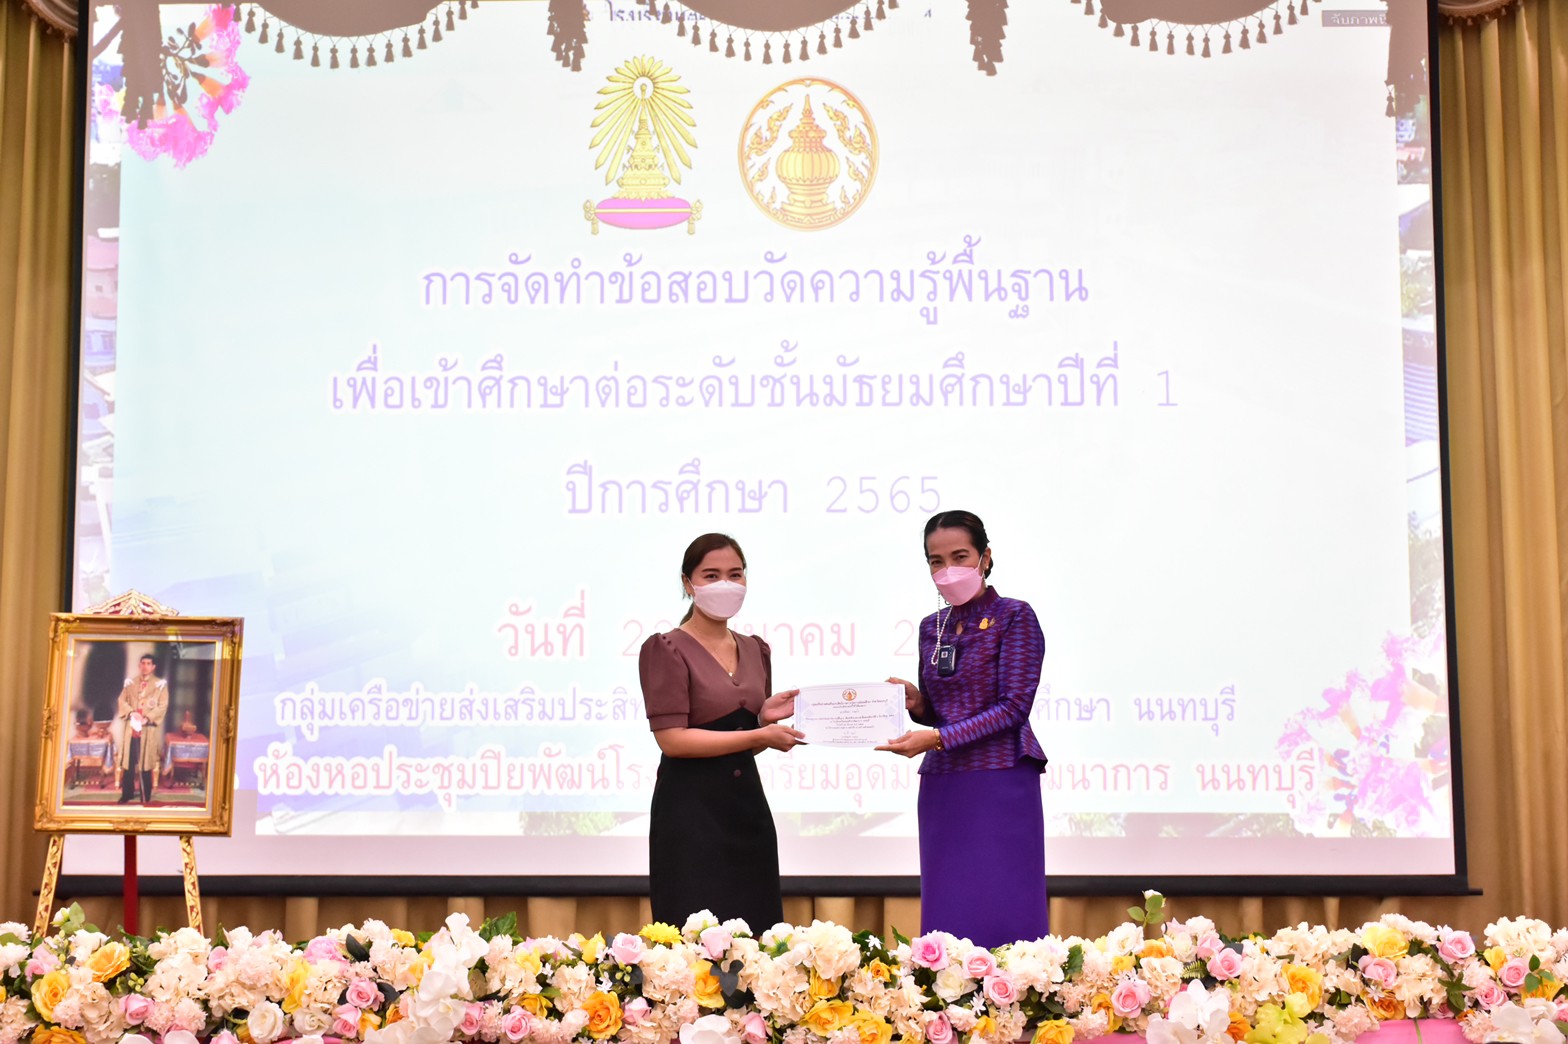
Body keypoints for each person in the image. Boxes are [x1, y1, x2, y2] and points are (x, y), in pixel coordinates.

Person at [879, 510, 1049, 947]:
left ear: (985, 558)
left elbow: (1013, 707)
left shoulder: (1014, 616)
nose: (948, 570)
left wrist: (937, 738)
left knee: (1005, 906)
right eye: (936, 561)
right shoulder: (931, 627)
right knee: (948, 911)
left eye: (960, 557)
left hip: (1000, 778)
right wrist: (918, 705)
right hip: (943, 783)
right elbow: (941, 710)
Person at [638, 533, 804, 931]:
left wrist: (763, 723)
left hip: (747, 810)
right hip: (690, 814)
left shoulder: (756, 649)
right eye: (711, 575)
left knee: (758, 935)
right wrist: (757, 735)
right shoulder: (666, 648)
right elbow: (672, 740)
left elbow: (742, 746)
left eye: (735, 574)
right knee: (694, 938)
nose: (725, 584)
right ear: (688, 583)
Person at [107, 652, 169, 805]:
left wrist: (147, 718)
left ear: (153, 667)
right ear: (139, 665)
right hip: (131, 729)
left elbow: (162, 706)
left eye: (148, 664)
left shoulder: (160, 685)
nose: (145, 666)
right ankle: (126, 794)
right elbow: (121, 700)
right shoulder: (131, 683)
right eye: (143, 663)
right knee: (128, 764)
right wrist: (131, 712)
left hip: (147, 729)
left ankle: (145, 794)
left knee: (145, 764)